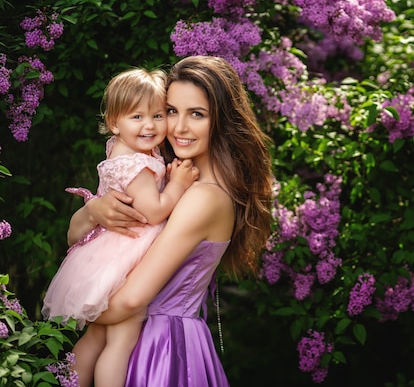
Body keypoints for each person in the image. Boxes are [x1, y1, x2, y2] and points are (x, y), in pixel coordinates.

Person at [66, 55, 274, 387]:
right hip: (143, 336)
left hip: (160, 346)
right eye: (173, 111)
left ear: (222, 120)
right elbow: (75, 236)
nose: (178, 128)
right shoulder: (168, 178)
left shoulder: (204, 197)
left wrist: (75, 307)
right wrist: (92, 212)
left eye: (197, 114)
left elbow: (132, 300)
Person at [42, 67, 200, 387]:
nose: (149, 125)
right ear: (114, 122)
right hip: (125, 256)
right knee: (121, 340)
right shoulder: (137, 164)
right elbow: (154, 212)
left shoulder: (121, 146)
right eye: (137, 117)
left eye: (158, 115)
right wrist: (178, 184)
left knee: (95, 336)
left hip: (105, 254)